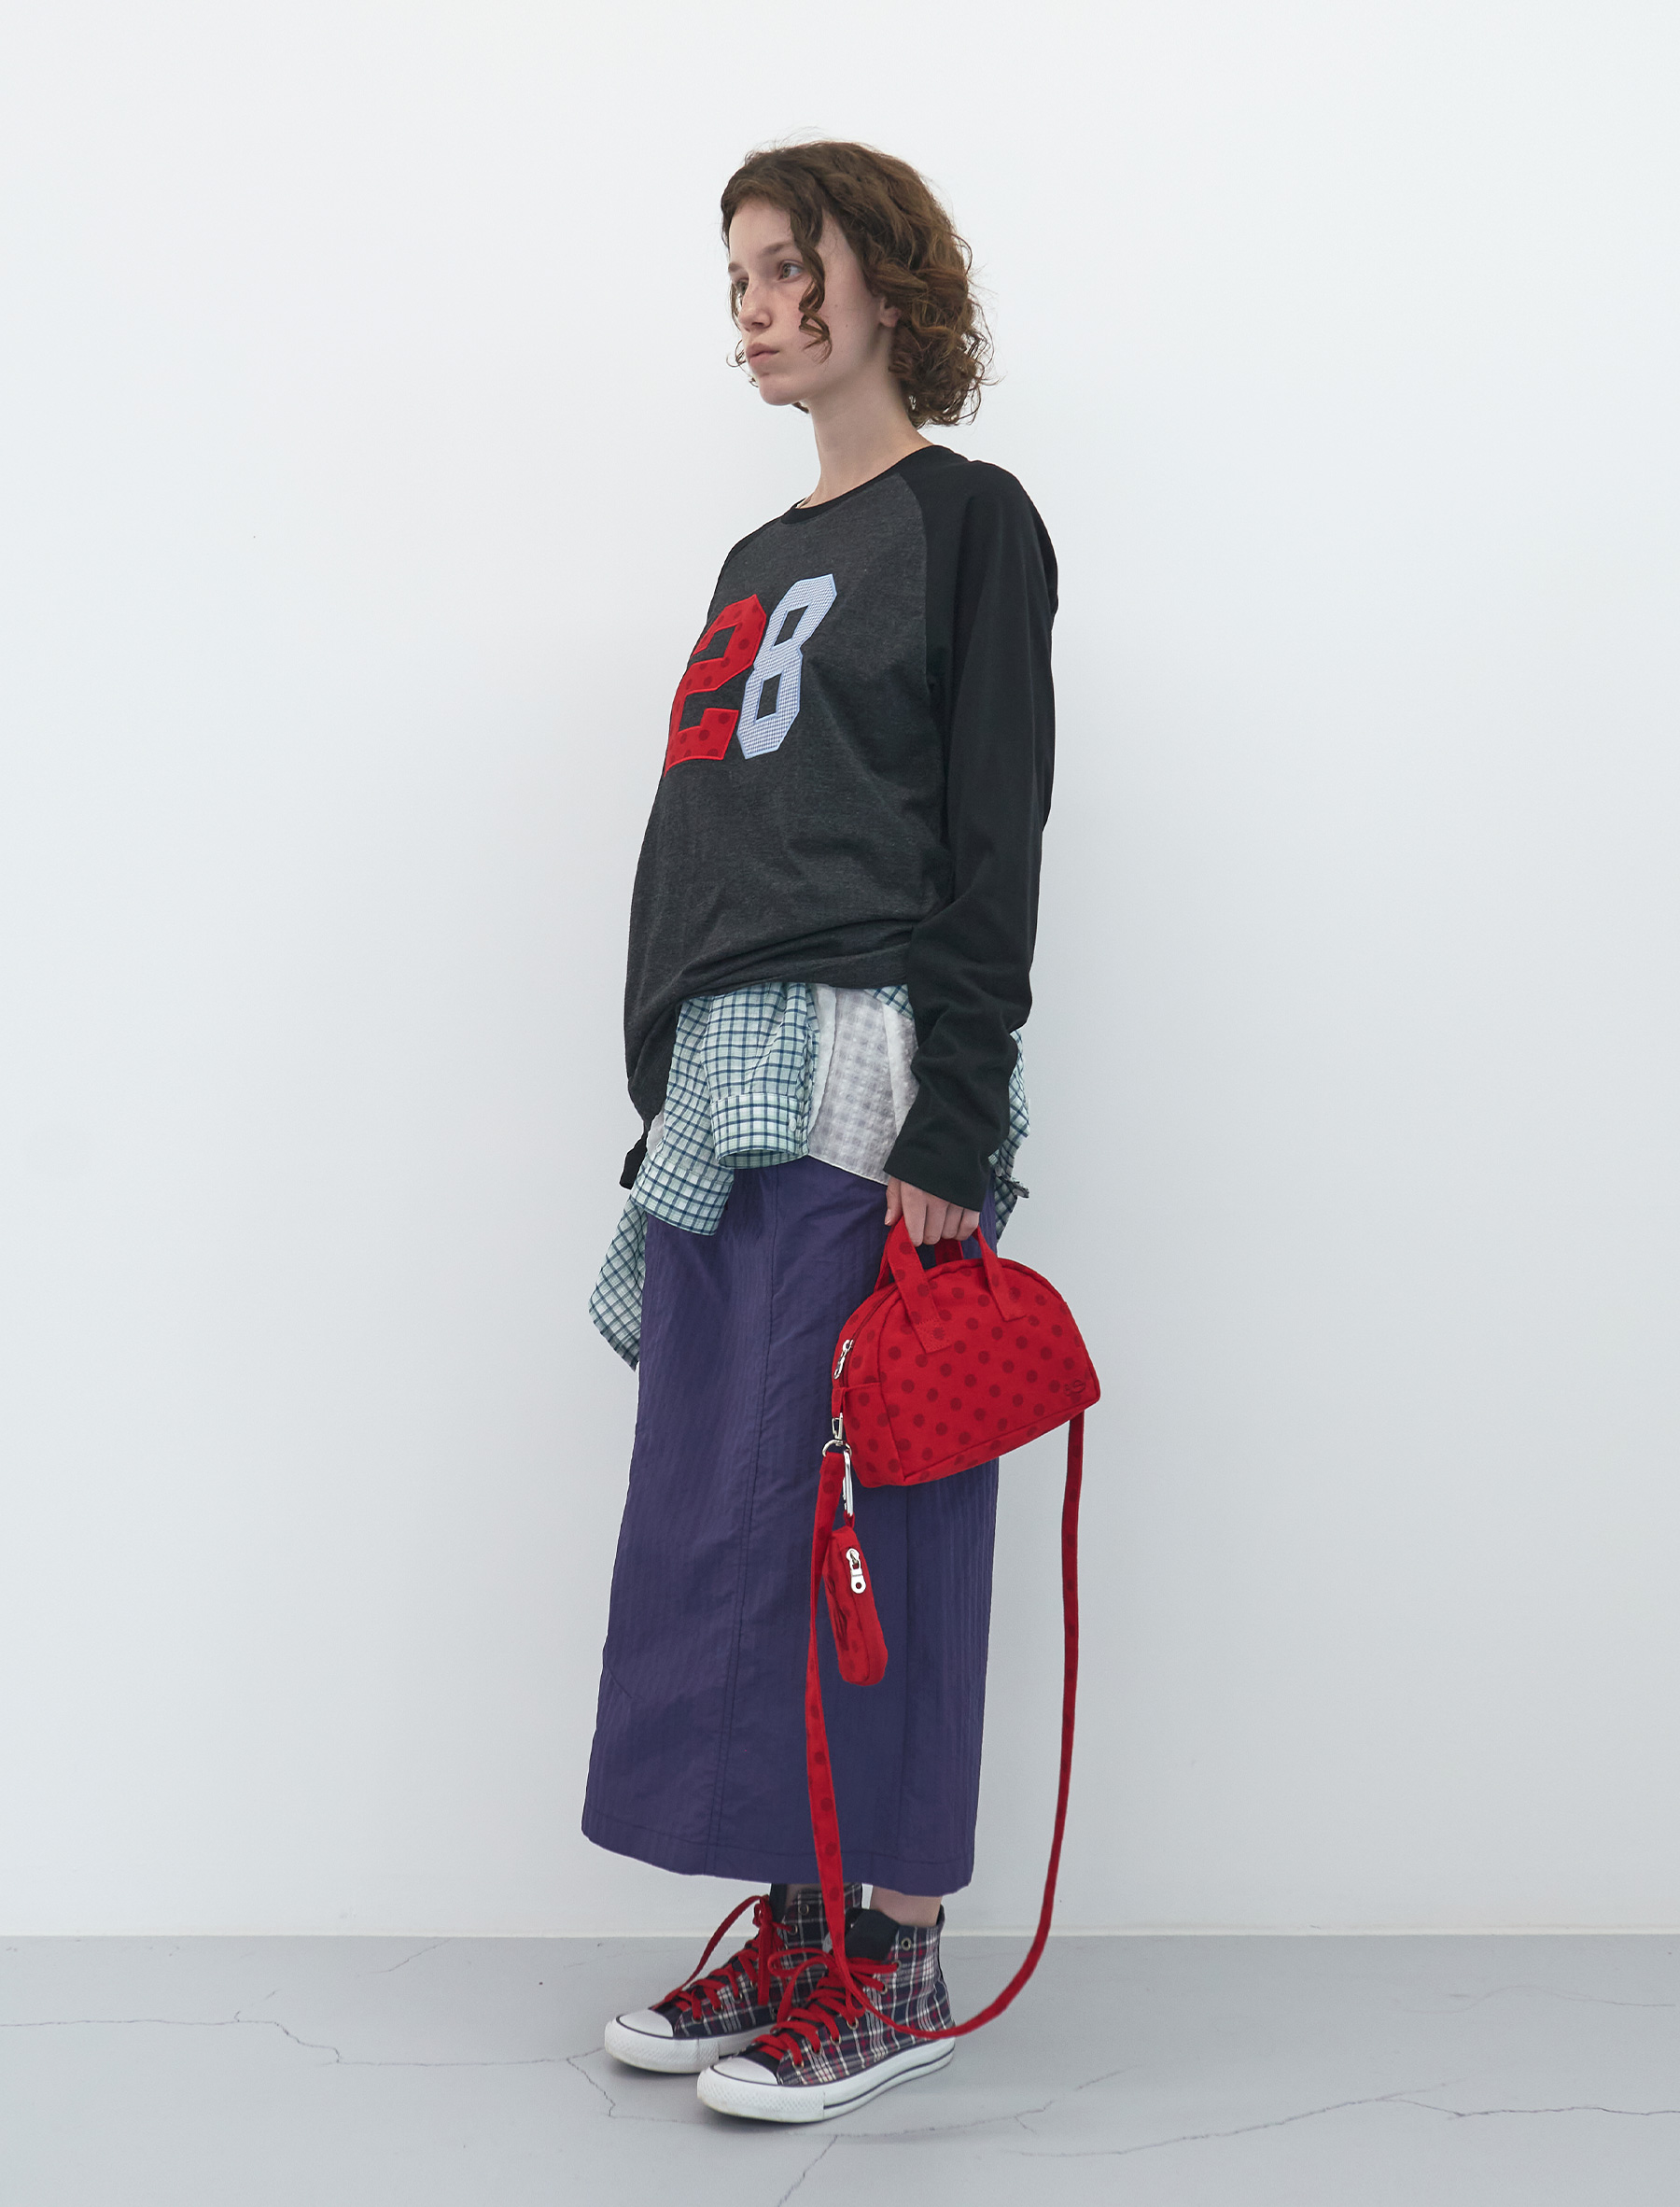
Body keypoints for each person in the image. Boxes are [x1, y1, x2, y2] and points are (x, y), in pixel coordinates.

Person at [582, 138, 1057, 2124]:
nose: (760, 311)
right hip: (725, 1087)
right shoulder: (751, 560)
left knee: (895, 1500)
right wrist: (658, 1081)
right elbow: (700, 835)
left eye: (791, 269)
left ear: (885, 280)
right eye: (739, 283)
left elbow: (994, 831)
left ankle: (903, 1951)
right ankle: (797, 1930)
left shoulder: (970, 523)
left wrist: (956, 1111)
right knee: (738, 1513)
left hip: (875, 1077)